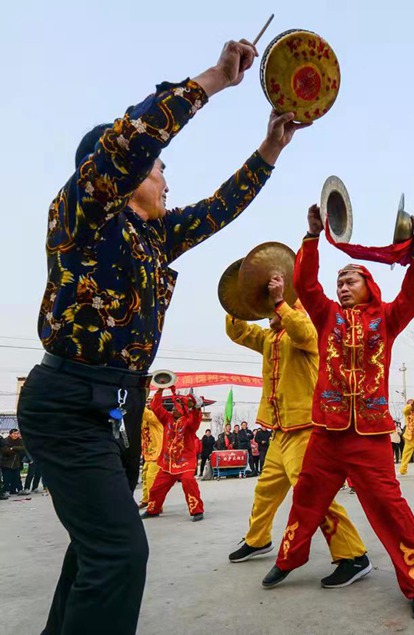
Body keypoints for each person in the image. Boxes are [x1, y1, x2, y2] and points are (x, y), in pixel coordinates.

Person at [15, 35, 309, 634]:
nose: (167, 179)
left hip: (118, 409)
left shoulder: (153, 236)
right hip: (68, 404)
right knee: (121, 555)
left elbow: (219, 208)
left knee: (95, 550)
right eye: (159, 168)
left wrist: (270, 149)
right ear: (118, 173)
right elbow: (134, 139)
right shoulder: (84, 210)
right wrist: (214, 79)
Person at [262, 204, 414, 620]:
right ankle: (288, 558)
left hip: (370, 437)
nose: (342, 286)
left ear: (369, 285)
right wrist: (311, 235)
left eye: (350, 279)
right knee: (305, 499)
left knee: (390, 509)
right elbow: (305, 284)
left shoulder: (387, 318)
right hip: (326, 432)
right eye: (339, 280)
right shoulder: (326, 317)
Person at [225, 276, 370, 585]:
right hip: (280, 430)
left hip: (306, 429)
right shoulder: (270, 338)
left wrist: (281, 302)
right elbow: (238, 331)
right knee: (265, 490)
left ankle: (354, 556)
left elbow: (302, 329)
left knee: (314, 496)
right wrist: (237, 302)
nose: (269, 312)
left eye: (274, 306)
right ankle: (258, 539)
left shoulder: (310, 330)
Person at [142, 390, 205, 520]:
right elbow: (156, 407)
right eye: (172, 408)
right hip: (168, 462)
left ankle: (197, 511)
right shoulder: (167, 419)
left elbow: (195, 418)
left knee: (188, 482)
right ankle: (153, 510)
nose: (172, 410)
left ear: (183, 410)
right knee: (156, 487)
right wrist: (160, 390)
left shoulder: (189, 423)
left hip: (185, 461)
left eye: (175, 408)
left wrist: (197, 408)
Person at [139, 406, 163, 508]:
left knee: (151, 479)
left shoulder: (155, 418)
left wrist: (140, 401)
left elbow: (145, 413)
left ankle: (155, 504)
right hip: (148, 455)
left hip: (156, 454)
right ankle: (146, 499)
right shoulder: (144, 421)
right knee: (145, 477)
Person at [1, 429, 26, 495]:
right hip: (6, 462)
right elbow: (6, 451)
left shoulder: (20, 440)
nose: (16, 435)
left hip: (16, 462)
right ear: (10, 434)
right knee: (7, 478)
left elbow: (23, 448)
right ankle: (6, 491)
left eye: (17, 434)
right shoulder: (5, 440)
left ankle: (19, 489)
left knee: (17, 477)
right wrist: (15, 450)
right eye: (14, 434)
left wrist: (13, 448)